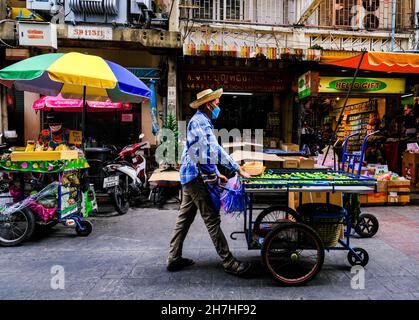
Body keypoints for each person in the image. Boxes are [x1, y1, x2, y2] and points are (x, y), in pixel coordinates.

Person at [167, 88, 252, 276]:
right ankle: (229, 262)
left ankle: (174, 258)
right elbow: (213, 150)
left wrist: (215, 172)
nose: (219, 105)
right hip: (195, 178)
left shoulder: (202, 121)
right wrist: (237, 168)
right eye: (217, 102)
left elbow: (201, 152)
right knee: (212, 219)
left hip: (191, 176)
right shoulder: (199, 122)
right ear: (208, 104)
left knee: (184, 219)